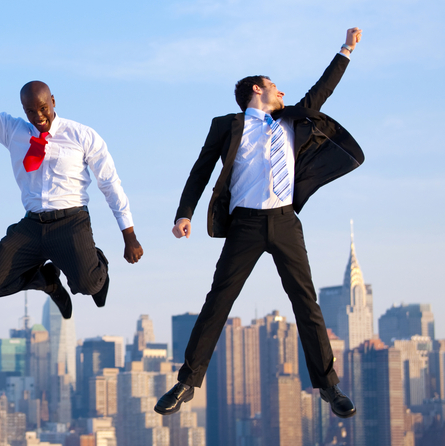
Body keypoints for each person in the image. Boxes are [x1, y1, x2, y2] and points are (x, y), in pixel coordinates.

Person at [155, 28, 365, 419]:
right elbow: (200, 171)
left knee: (307, 302)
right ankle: (186, 383)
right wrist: (184, 213)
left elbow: (323, 90)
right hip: (245, 226)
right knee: (218, 301)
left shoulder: (292, 120)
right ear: (257, 89)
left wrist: (346, 50)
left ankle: (329, 387)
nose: (282, 92)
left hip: (285, 221)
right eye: (275, 86)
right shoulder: (227, 126)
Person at [0, 41, 142, 319]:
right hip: (32, 224)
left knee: (88, 285)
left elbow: (109, 183)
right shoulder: (13, 130)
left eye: (43, 108)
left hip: (72, 222)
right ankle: (46, 281)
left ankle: (95, 260)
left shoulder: (82, 135)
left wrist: (129, 236)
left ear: (53, 101)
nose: (38, 116)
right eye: (30, 111)